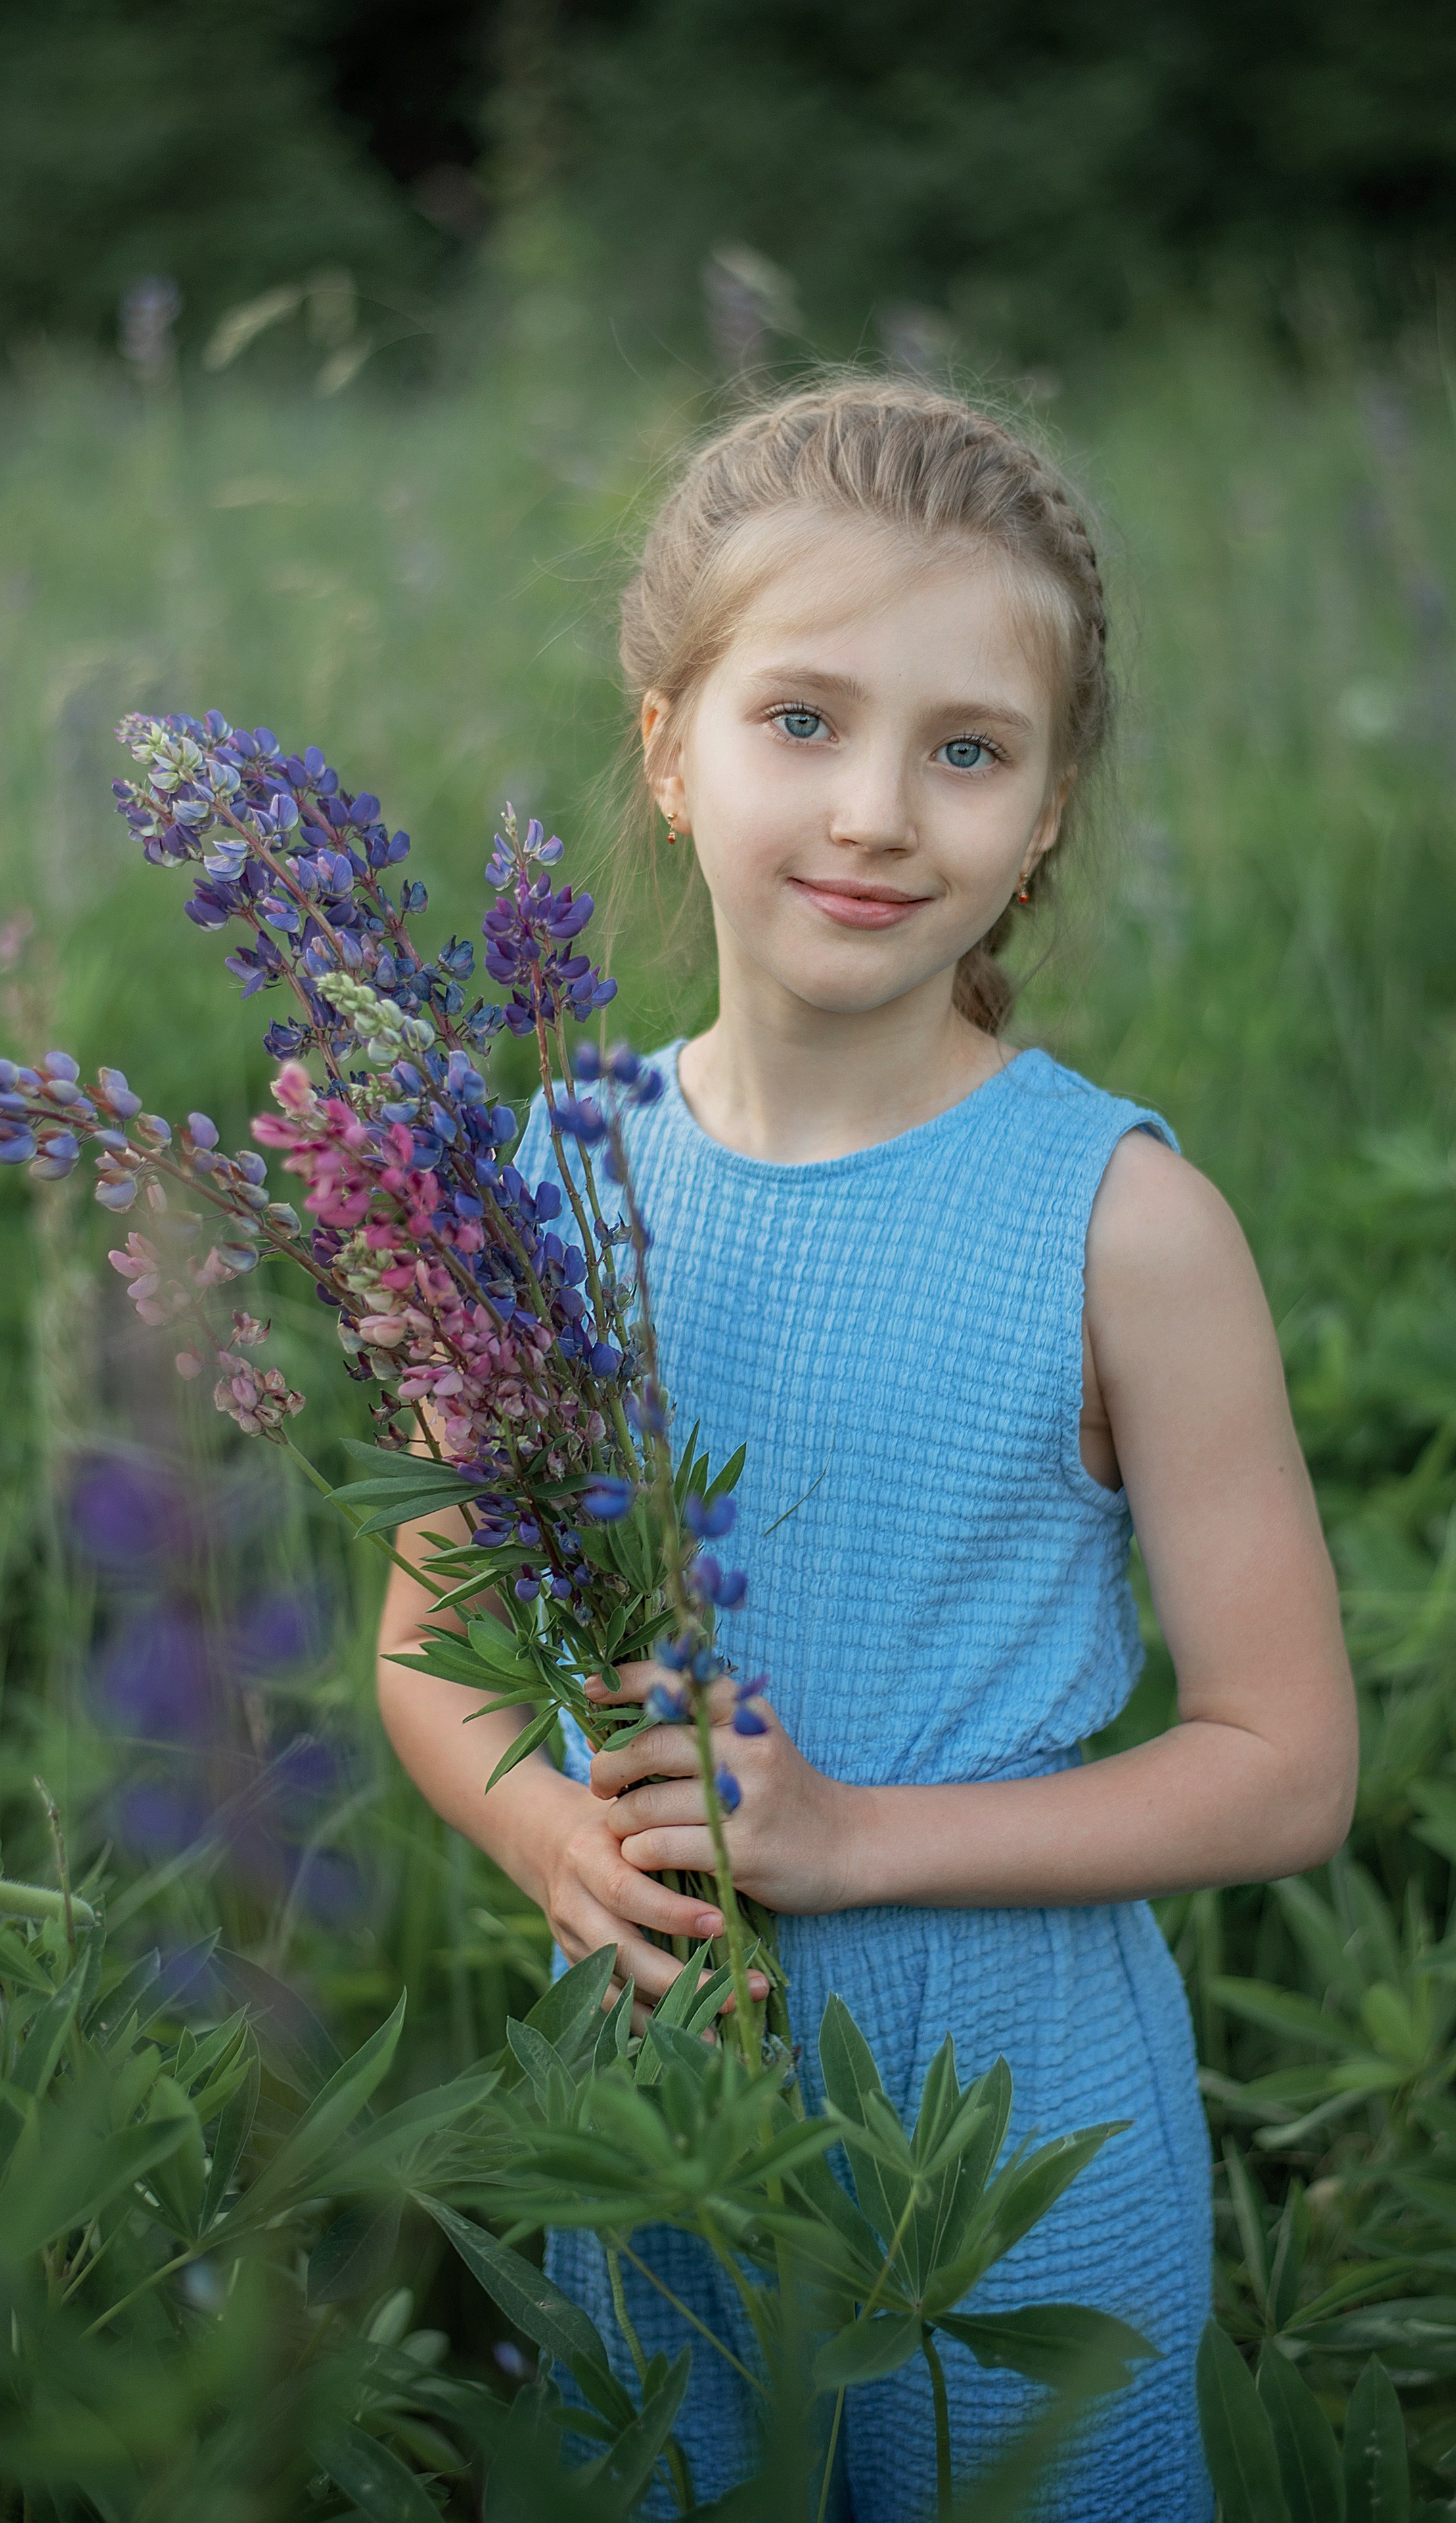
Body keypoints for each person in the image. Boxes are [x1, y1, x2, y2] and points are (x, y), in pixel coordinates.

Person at [375, 378, 1357, 2517]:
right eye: (801, 721)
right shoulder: (535, 1186)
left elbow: (1290, 1763)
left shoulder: (1122, 1222)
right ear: (669, 743)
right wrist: (553, 1843)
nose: (881, 813)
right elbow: (428, 1654)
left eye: (969, 750)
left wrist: (854, 1843)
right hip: (654, 2110)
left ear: (1052, 809)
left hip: (1012, 2137)